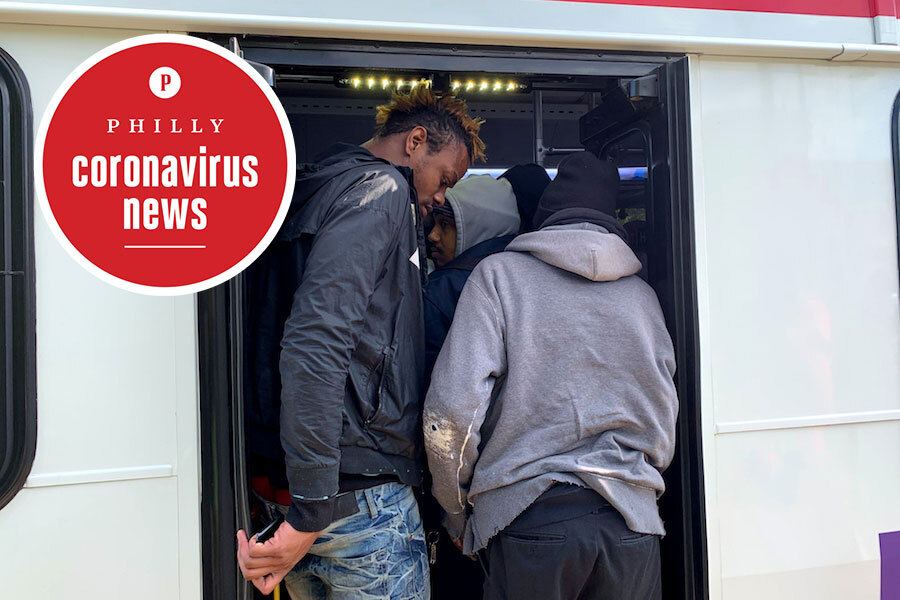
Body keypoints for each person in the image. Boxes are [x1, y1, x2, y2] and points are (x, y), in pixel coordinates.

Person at [237, 87, 485, 599]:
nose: (442, 197)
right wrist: (313, 505)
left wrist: (304, 504)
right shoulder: (381, 191)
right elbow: (316, 339)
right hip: (355, 498)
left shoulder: (313, 188)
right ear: (415, 142)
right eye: (445, 179)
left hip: (285, 489)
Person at [423, 151, 678, 600]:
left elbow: (452, 413)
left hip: (528, 520)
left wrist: (457, 512)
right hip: (631, 527)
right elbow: (664, 413)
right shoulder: (642, 298)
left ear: (544, 217)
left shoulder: (498, 278)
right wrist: (637, 484)